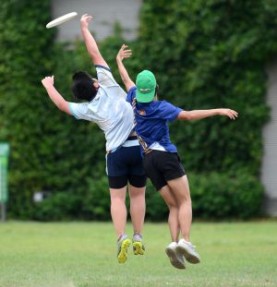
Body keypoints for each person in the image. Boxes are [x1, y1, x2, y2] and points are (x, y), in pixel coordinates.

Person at [116, 44, 239, 269]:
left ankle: (174, 245)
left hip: (148, 161)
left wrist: (119, 61)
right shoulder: (160, 107)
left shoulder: (133, 98)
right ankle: (187, 241)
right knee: (185, 201)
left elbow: (126, 80)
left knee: (173, 206)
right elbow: (189, 116)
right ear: (155, 89)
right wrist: (218, 110)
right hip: (165, 156)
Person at [41, 15, 147, 264]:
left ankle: (122, 238)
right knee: (139, 196)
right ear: (96, 83)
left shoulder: (87, 109)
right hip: (138, 147)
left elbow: (61, 104)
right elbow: (94, 52)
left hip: (117, 154)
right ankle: (139, 236)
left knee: (117, 198)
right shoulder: (109, 83)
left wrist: (48, 85)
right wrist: (84, 28)